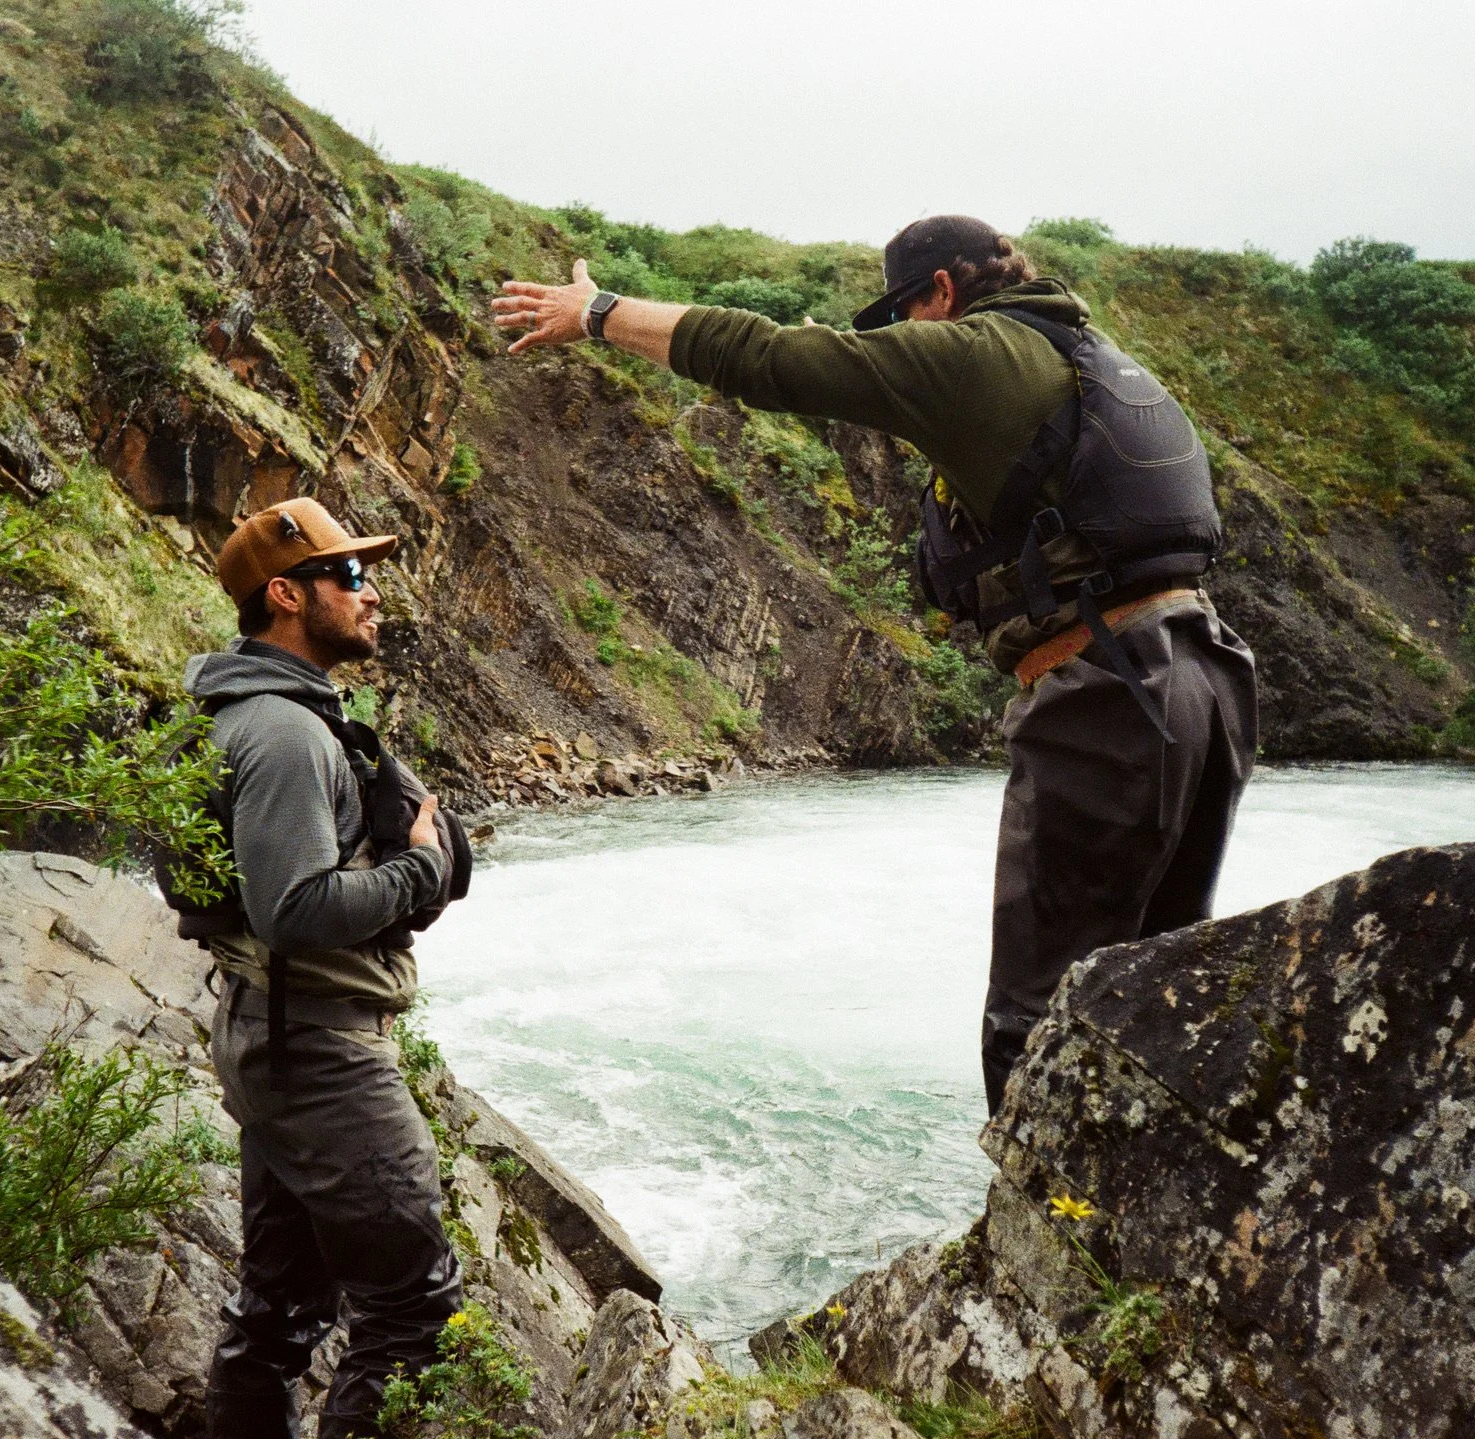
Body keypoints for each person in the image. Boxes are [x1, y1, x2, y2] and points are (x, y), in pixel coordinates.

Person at [492, 216, 1258, 1117]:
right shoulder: (1094, 357)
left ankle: (1044, 1239)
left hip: (1112, 693)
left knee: (1038, 1013)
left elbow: (770, 357)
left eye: (901, 312)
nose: (898, 333)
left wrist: (600, 313)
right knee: (1155, 986)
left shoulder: (978, 353)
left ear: (939, 292)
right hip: (1204, 673)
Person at [180, 498, 463, 1439]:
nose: (371, 589)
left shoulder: (259, 714)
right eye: (350, 576)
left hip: (277, 1037)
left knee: (281, 1310)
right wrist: (419, 868)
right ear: (288, 597)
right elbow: (296, 911)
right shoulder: (288, 736)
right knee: (411, 1304)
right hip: (322, 1056)